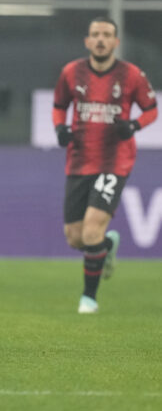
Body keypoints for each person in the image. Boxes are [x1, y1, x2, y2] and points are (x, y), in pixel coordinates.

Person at [52, 17, 157, 314]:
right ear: (87, 41)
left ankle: (89, 299)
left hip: (115, 161)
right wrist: (60, 129)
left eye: (107, 35)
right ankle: (107, 248)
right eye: (96, 34)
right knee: (75, 237)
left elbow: (151, 109)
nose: (100, 39)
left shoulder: (132, 75)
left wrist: (134, 125)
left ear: (116, 42)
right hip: (79, 159)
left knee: (91, 231)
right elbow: (59, 106)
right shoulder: (71, 73)